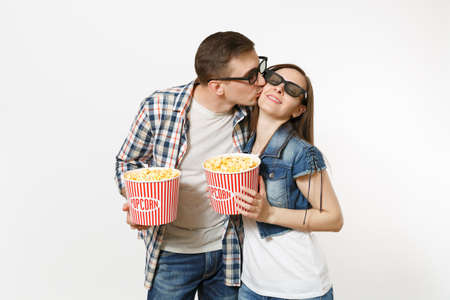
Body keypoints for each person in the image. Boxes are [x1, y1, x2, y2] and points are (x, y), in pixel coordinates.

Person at [114, 31, 266, 299]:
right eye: (251, 75)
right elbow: (128, 160)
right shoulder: (159, 107)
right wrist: (136, 201)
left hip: (228, 248)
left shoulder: (254, 113)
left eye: (260, 67)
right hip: (173, 250)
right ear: (217, 86)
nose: (261, 81)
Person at [235, 64, 344, 300]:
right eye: (274, 79)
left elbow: (334, 219)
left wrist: (269, 214)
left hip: (299, 289)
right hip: (251, 286)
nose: (280, 88)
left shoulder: (301, 152)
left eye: (293, 90)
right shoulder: (244, 147)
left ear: (298, 110)